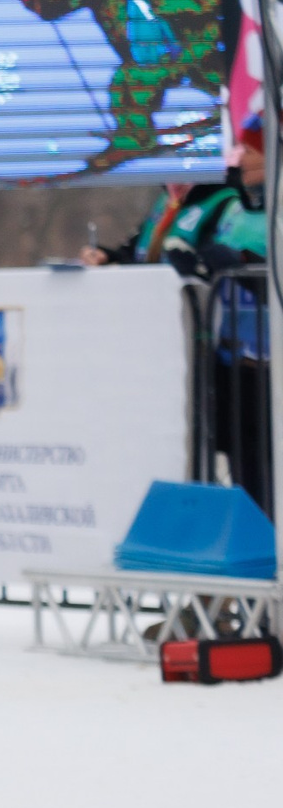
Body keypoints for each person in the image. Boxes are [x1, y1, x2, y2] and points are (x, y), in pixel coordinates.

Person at [83, 117, 271, 512]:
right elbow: (143, 250)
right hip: (188, 351)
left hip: (237, 350)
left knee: (252, 455)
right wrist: (110, 258)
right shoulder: (169, 200)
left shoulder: (223, 198)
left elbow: (231, 256)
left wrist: (215, 261)